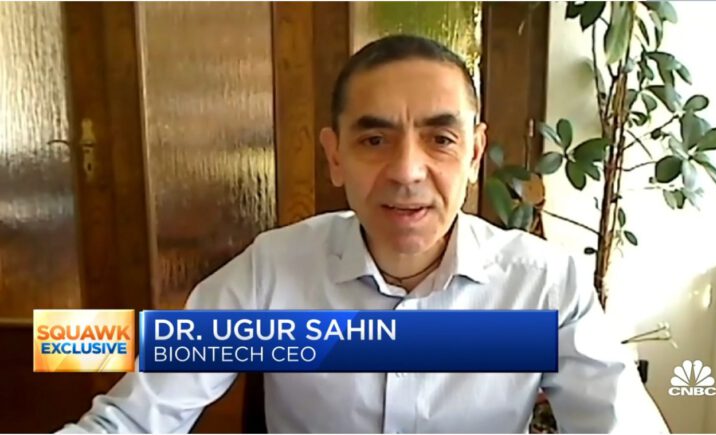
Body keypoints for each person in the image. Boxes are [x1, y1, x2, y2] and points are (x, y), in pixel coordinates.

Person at [59, 34, 669, 434]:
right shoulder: (273, 269)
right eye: (374, 140)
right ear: (334, 156)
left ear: (474, 152)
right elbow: (135, 417)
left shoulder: (544, 286)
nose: (407, 172)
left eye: (441, 138)